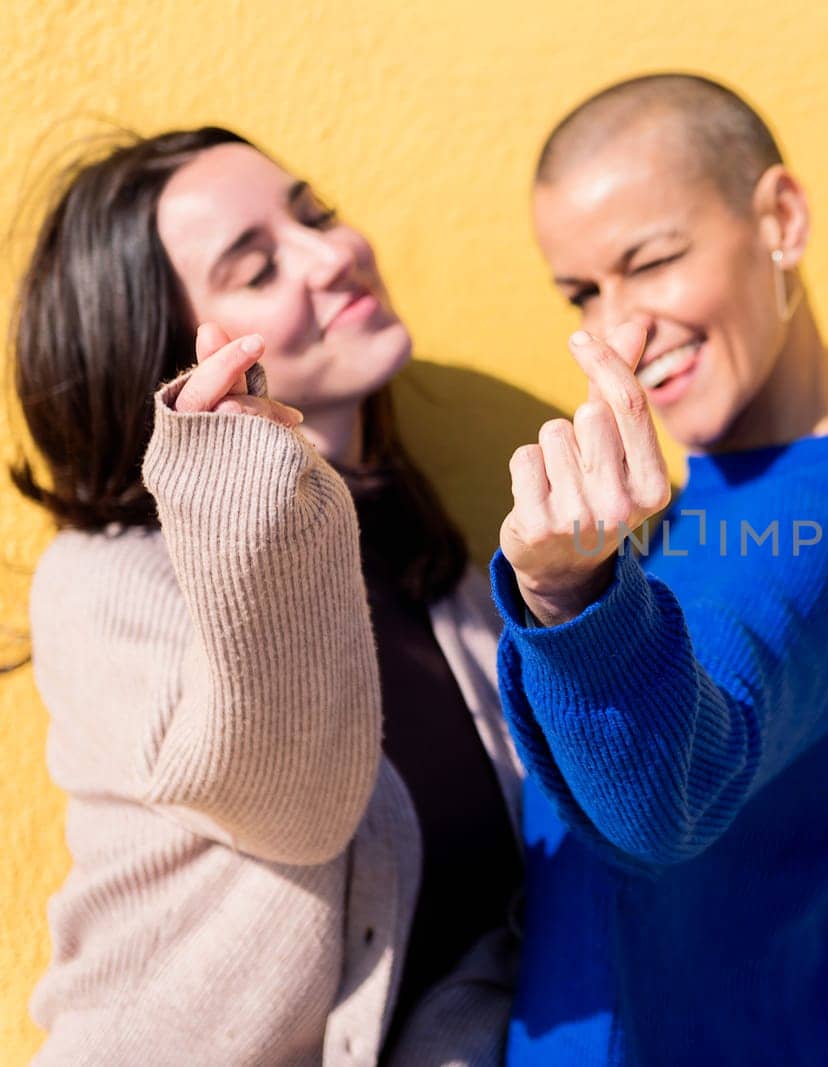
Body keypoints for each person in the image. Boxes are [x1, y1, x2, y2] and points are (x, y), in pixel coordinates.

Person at [12, 127, 523, 1066]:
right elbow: (294, 804)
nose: (334, 253)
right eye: (257, 268)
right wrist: (242, 488)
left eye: (316, 212)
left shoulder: (442, 576)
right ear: (175, 360)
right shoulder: (108, 582)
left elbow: (478, 937)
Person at [491, 74, 828, 1064]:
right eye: (582, 291)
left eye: (652, 261)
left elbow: (661, 795)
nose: (616, 329)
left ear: (780, 219)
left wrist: (570, 599)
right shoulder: (709, 495)